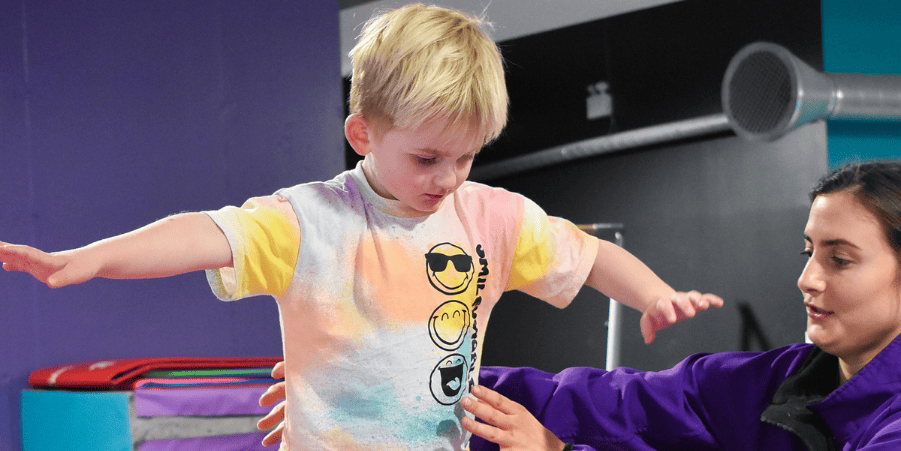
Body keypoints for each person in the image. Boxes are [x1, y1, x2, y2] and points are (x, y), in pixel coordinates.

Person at [0, 4, 722, 450]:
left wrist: (653, 294)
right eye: (427, 157)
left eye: (466, 157)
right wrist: (90, 258)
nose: (446, 177)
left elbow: (589, 254)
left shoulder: (492, 218)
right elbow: (204, 233)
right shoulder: (311, 221)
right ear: (361, 132)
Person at [450, 160, 901, 451]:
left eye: (840, 260)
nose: (808, 279)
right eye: (809, 254)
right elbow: (615, 404)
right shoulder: (776, 381)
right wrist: (442, 385)